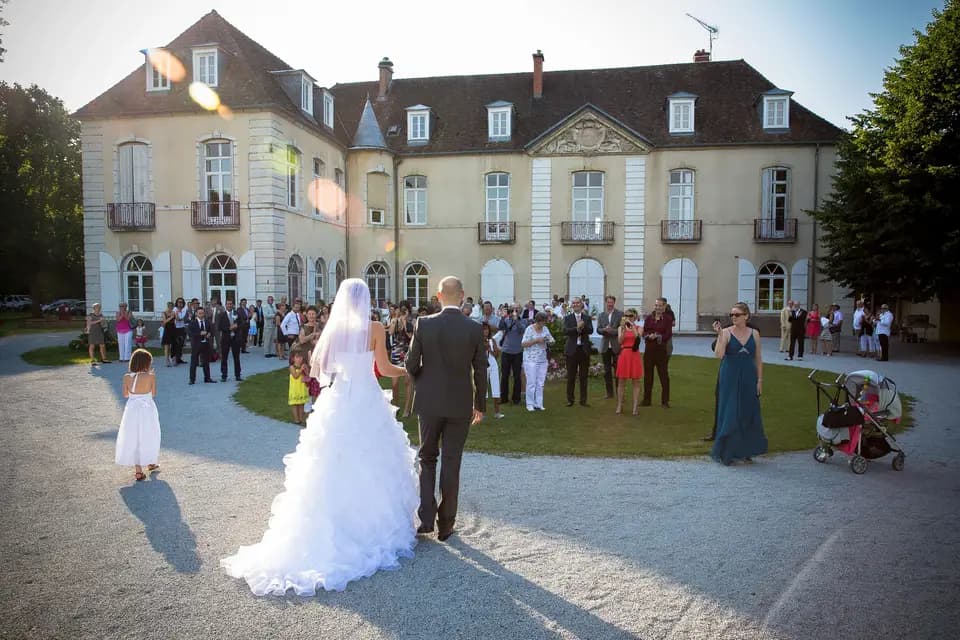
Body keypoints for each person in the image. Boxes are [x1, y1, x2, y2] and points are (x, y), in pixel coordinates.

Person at [222, 278, 415, 595]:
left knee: (332, 458)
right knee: (372, 456)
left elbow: (318, 365)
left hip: (340, 396)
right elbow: (383, 367)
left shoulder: (334, 330)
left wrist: (340, 371)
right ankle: (371, 521)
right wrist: (407, 370)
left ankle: (332, 520)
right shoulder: (375, 328)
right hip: (366, 397)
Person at [406, 276, 487, 542]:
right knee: (452, 461)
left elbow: (411, 364)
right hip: (459, 402)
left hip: (429, 401)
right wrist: (480, 405)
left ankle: (426, 518)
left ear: (438, 296)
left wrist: (421, 380)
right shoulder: (474, 328)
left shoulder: (423, 324)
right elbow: (480, 370)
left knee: (427, 458)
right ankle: (446, 525)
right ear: (462, 296)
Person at [710, 303, 767, 465]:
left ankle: (746, 450)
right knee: (731, 412)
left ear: (746, 316)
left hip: (749, 375)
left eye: (737, 314)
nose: (733, 317)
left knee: (748, 411)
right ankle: (727, 451)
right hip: (730, 375)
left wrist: (759, 380)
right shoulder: (727, 332)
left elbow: (758, 358)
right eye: (731, 315)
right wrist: (720, 334)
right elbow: (719, 355)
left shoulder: (754, 333)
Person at [115, 349, 160, 482]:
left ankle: (138, 471)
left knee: (133, 436)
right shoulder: (151, 376)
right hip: (147, 409)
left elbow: (125, 394)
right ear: (146, 363)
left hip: (132, 410)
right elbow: (153, 393)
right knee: (149, 434)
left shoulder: (127, 377)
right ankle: (151, 462)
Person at [521, 311, 554, 412]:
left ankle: (538, 403)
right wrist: (536, 341)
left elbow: (552, 340)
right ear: (538, 321)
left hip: (542, 359)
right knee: (531, 382)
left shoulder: (545, 329)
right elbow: (523, 344)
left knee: (540, 383)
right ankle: (529, 404)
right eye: (542, 322)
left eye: (545, 322)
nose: (544, 324)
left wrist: (549, 341)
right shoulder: (529, 329)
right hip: (530, 359)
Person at [563, 297, 593, 407]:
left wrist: (583, 327)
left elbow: (590, 330)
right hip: (572, 350)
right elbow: (565, 331)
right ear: (572, 305)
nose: (576, 304)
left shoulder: (586, 318)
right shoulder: (568, 318)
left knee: (583, 377)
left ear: (581, 305)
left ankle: (583, 400)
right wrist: (576, 328)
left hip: (583, 350)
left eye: (578, 303)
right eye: (574, 303)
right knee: (571, 376)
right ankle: (570, 400)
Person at [641, 298, 671, 408]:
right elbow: (644, 331)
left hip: (661, 351)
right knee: (648, 376)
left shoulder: (667, 319)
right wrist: (648, 335)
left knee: (664, 376)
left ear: (664, 307)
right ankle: (647, 400)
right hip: (649, 350)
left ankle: (665, 401)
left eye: (660, 305)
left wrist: (658, 336)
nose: (657, 307)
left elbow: (668, 334)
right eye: (656, 305)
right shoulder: (649, 318)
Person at [387, 301, 415, 418]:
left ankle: (407, 409)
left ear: (408, 310)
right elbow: (390, 332)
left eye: (405, 309)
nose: (402, 311)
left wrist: (405, 321)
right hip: (396, 353)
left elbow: (411, 336)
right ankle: (395, 406)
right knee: (394, 383)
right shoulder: (395, 320)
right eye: (401, 309)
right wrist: (395, 320)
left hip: (408, 353)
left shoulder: (412, 321)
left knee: (408, 382)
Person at [615, 309, 644, 415]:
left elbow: (637, 337)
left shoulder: (639, 327)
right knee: (621, 381)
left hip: (634, 354)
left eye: (630, 315)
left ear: (634, 317)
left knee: (636, 381)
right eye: (626, 315)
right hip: (624, 354)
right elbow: (620, 341)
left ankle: (635, 407)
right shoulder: (620, 328)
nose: (628, 317)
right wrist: (623, 330)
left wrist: (632, 326)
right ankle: (619, 405)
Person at [498, 304, 527, 406]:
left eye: (517, 309)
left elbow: (521, 330)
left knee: (517, 376)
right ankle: (504, 398)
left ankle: (516, 398)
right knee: (504, 376)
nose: (514, 311)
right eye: (513, 309)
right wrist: (503, 316)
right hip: (506, 351)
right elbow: (501, 327)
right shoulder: (507, 320)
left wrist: (516, 320)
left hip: (517, 352)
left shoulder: (523, 321)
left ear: (520, 311)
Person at [596, 295, 623, 399]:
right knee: (607, 371)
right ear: (606, 303)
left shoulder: (620, 314)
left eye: (611, 302)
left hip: (616, 346)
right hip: (605, 347)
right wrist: (604, 330)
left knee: (618, 371)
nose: (610, 304)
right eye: (608, 302)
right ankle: (609, 393)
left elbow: (622, 329)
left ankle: (619, 392)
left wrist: (611, 330)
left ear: (614, 303)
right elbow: (598, 329)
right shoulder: (601, 315)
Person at [480, 322, 505, 419]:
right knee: (483, 389)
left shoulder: (492, 340)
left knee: (496, 388)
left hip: (493, 365)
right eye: (483, 329)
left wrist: (490, 349)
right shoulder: (477, 340)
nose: (485, 331)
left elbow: (496, 355)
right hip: (482, 366)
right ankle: (483, 413)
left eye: (487, 329)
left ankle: (497, 413)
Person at [187, 307, 216, 384]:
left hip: (205, 343)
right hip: (196, 344)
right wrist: (199, 333)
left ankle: (207, 378)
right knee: (194, 362)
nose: (201, 315)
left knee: (206, 362)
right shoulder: (193, 323)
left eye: (202, 313)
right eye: (199, 313)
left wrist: (209, 334)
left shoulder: (207, 322)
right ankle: (192, 379)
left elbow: (211, 331)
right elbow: (190, 333)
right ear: (196, 314)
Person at [217, 299, 243, 382]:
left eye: (231, 304)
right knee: (224, 358)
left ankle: (238, 375)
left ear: (233, 305)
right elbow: (219, 327)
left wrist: (237, 326)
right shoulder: (221, 315)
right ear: (225, 305)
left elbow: (241, 324)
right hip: (226, 339)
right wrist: (229, 328)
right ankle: (224, 375)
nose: (229, 305)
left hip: (235, 338)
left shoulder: (237, 314)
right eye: (228, 304)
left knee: (236, 358)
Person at [288, 349, 309, 425]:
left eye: (300, 357)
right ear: (293, 358)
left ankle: (301, 418)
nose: (299, 359)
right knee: (295, 404)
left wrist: (305, 370)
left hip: (302, 387)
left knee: (301, 404)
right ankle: (296, 419)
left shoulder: (303, 366)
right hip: (295, 388)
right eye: (297, 357)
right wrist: (300, 370)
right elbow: (295, 376)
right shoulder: (292, 367)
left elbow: (307, 375)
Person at [173, 297, 189, 365]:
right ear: (177, 303)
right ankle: (175, 359)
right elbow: (177, 319)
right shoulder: (175, 309)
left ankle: (179, 358)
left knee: (181, 344)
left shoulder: (184, 309)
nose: (180, 303)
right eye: (179, 302)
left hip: (182, 327)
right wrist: (183, 318)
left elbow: (187, 318)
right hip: (176, 328)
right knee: (176, 344)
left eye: (181, 302)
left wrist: (183, 318)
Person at [161, 301, 176, 366]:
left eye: (172, 307)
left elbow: (177, 319)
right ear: (168, 306)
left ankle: (173, 358)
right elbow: (164, 321)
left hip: (173, 329)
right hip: (167, 329)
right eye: (170, 307)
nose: (171, 308)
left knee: (173, 345)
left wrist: (176, 314)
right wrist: (171, 317)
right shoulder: (164, 313)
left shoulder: (174, 312)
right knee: (167, 346)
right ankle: (167, 360)